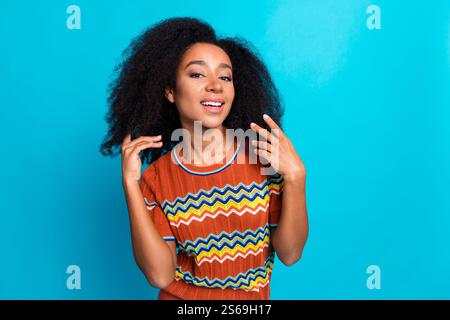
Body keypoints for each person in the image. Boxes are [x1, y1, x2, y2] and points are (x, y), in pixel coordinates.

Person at [100, 17, 308, 300]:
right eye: (197, 75)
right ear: (170, 91)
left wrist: (296, 177)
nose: (215, 86)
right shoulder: (157, 178)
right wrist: (130, 185)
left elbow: (290, 253)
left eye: (225, 77)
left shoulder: (264, 159)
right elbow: (160, 275)